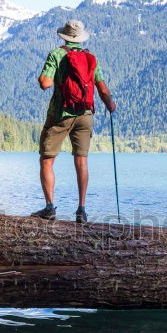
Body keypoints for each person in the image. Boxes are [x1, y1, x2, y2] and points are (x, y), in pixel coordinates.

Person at [31, 19, 117, 223]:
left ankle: (50, 208)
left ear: (64, 36)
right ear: (80, 38)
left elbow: (45, 83)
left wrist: (47, 77)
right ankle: (81, 210)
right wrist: (110, 105)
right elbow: (102, 89)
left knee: (47, 159)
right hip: (85, 115)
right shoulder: (90, 58)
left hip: (60, 114)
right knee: (81, 160)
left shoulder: (56, 55)